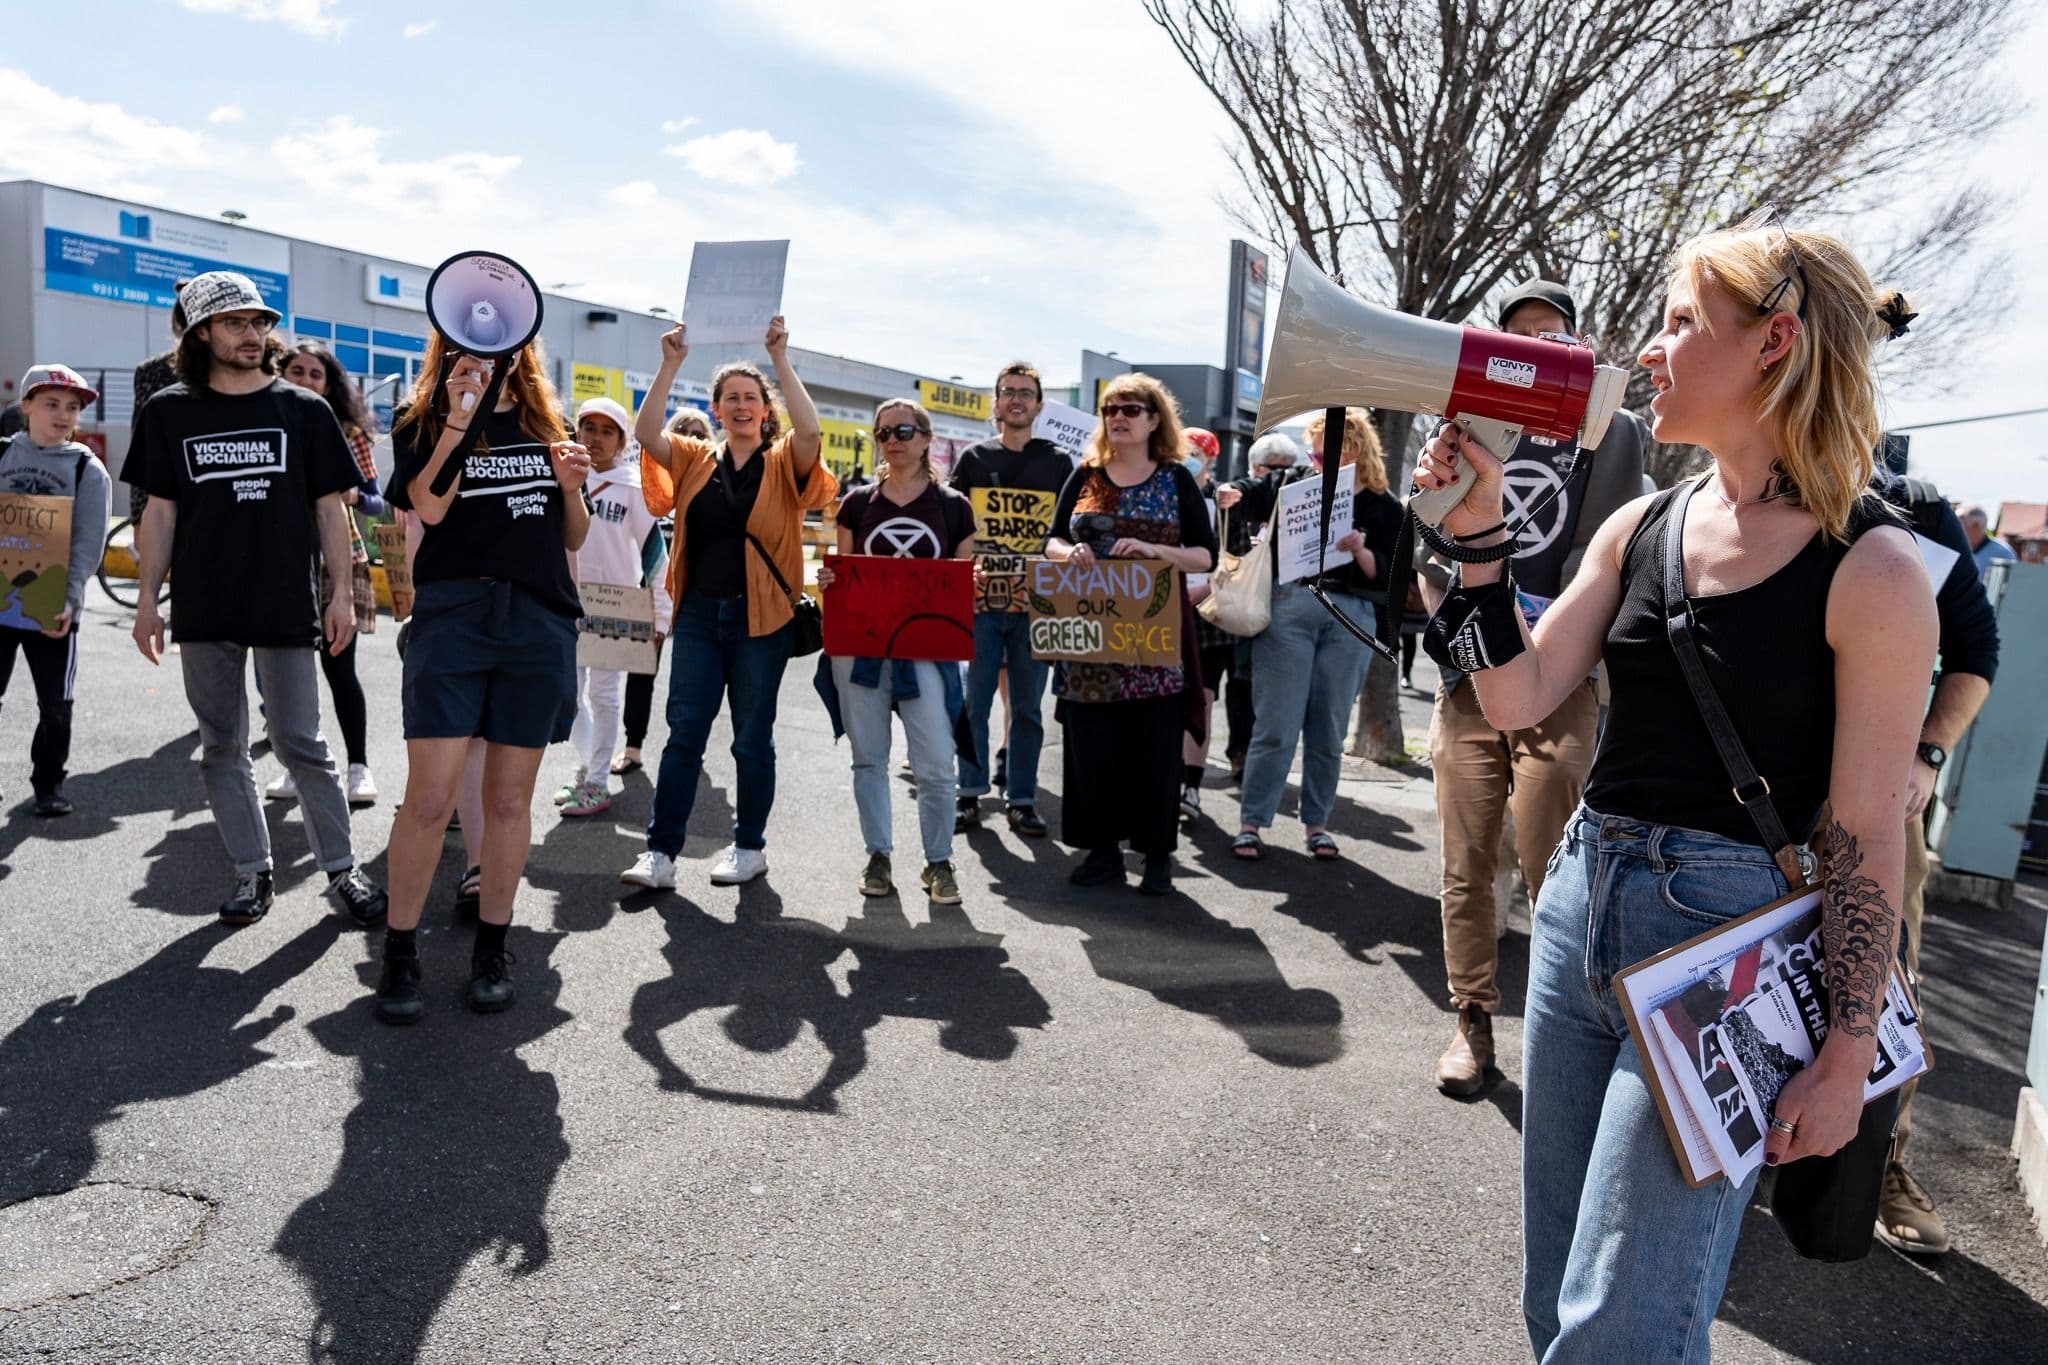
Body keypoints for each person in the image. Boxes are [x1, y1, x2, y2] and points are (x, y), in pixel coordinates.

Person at [1415, 215, 1933, 1360]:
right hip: (1573, 914)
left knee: (1623, 1327)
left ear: (1772, 342)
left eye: (1678, 321)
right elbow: (1512, 697)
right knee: (1554, 1299)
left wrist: (1845, 1054)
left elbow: (1859, 835)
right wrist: (1477, 547)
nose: (1646, 350)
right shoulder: (1637, 523)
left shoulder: (1875, 569)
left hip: (1724, 952)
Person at [1417, 279, 1648, 1096]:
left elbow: (1606, 557)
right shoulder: (1470, 421)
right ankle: (1472, 1021)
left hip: (1561, 678)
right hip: (1468, 677)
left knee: (1556, 858)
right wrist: (1435, 505)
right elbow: (1431, 545)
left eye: (1552, 334)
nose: (1536, 347)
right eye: (1520, 336)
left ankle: (1561, 1028)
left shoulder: (1611, 429)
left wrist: (1537, 627)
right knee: (1466, 856)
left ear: (1577, 344)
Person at [126, 272, 388, 928]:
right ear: (202, 332)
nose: (253, 335)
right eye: (237, 323)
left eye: (259, 323)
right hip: (204, 599)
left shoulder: (303, 409)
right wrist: (146, 602)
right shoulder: (168, 412)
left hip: (282, 597)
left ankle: (340, 869)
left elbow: (331, 511)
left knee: (300, 739)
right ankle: (252, 872)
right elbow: (159, 513)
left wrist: (339, 595)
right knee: (222, 744)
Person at [371, 332, 588, 1023]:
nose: (493, 360)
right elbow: (429, 507)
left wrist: (573, 489)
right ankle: (400, 951)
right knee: (430, 797)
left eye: (508, 349)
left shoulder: (546, 423)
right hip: (456, 614)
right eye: (475, 347)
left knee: (508, 799)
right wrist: (459, 418)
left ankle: (492, 948)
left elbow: (572, 536)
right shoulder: (420, 420)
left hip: (535, 618)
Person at [621, 317, 836, 891]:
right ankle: (660, 853)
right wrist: (669, 364)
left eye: (750, 398)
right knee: (683, 733)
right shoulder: (695, 457)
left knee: (751, 738)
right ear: (716, 408)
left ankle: (748, 846)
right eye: (730, 398)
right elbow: (646, 434)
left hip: (760, 620)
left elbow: (811, 433)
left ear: (765, 411)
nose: (741, 406)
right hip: (696, 614)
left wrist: (780, 360)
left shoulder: (784, 460)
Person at [1870, 470, 2000, 1255]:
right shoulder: (1744, 485)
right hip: (1749, 800)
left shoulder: (1907, 507)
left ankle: (1884, 1161)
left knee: (1887, 981)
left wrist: (1926, 752)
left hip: (1883, 799)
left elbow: (1976, 649)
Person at [1044, 374, 1218, 895]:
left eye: (1131, 409)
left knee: (1153, 752)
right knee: (1092, 749)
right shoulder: (1084, 476)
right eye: (1110, 409)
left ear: (1153, 419)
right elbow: (1051, 539)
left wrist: (1154, 552)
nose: (1118, 417)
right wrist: (1066, 553)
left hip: (1153, 641)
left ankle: (1156, 855)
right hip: (1090, 639)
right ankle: (1101, 853)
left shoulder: (1176, 479)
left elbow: (1204, 556)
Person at [1216, 408, 1402, 862]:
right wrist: (1230, 492)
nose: (1318, 463)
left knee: (1328, 730)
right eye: (1315, 454)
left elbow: (1391, 579)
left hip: (1351, 615)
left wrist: (1360, 550)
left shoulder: (1384, 506)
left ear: (1357, 452)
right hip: (1291, 607)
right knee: (1276, 725)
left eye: (1328, 455)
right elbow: (1250, 491)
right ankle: (1251, 823)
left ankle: (1316, 824)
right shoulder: (1293, 483)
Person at [815, 398, 976, 903]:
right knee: (869, 760)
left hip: (926, 652)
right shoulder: (857, 505)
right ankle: (878, 855)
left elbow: (963, 582)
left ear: (926, 439)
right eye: (883, 432)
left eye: (904, 430)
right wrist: (828, 581)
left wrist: (974, 583)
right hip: (862, 650)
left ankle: (939, 861)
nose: (893, 439)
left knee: (935, 764)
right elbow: (842, 576)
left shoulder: (953, 507)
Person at [947, 361, 1070, 837]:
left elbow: (1067, 529)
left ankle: (1021, 798)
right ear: (996, 403)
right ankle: (968, 793)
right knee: (971, 705)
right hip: (979, 605)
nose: (1016, 399)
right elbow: (954, 523)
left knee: (1027, 710)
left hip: (1034, 607)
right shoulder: (975, 459)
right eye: (1008, 392)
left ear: (1039, 405)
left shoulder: (1058, 462)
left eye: (1026, 393)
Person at [264, 342, 385, 808]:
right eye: (296, 371)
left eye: (316, 374)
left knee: (340, 669)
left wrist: (352, 496)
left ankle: (359, 767)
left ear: (329, 385)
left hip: (339, 561)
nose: (306, 380)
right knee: (290, 675)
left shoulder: (350, 432)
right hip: (279, 561)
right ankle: (300, 765)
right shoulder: (265, 425)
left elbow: (377, 500)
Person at [0, 364, 112, 816]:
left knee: (56, 706)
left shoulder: (88, 470)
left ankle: (48, 783)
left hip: (52, 607)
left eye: (72, 407)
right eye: (51, 404)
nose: (63, 415)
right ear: (27, 406)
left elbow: (88, 544)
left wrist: (68, 600)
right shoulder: (2, 457)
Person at [556, 396, 672, 818]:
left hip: (616, 603)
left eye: (608, 431)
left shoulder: (634, 487)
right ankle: (589, 767)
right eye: (590, 428)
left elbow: (655, 556)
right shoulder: (564, 477)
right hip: (565, 602)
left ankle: (599, 781)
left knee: (604, 695)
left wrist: (660, 615)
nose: (597, 438)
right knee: (566, 694)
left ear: (622, 440)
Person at [617, 407, 708, 777]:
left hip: (696, 597)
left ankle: (691, 746)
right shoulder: (643, 483)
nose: (692, 436)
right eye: (683, 429)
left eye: (701, 432)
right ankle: (632, 747)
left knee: (696, 680)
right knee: (640, 675)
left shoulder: (714, 485)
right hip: (647, 594)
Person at [1178, 426, 1234, 820]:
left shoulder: (1224, 500)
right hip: (1164, 607)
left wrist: (1200, 592)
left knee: (1204, 699)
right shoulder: (1165, 488)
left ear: (1210, 458)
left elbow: (1231, 560)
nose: (1189, 457)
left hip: (1206, 613)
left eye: (1196, 451)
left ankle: (1190, 787)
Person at [1959, 503, 2014, 579]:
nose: (1955, 529)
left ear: (1975, 526)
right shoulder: (1959, 551)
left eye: (1959, 524)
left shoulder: (2002, 554)